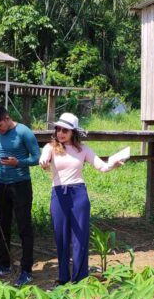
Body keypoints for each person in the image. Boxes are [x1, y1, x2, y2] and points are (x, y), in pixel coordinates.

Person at [39, 113, 125, 285]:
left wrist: (114, 163)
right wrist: (44, 162)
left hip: (78, 193)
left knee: (80, 238)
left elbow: (102, 166)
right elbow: (43, 159)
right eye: (58, 129)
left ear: (73, 132)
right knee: (61, 238)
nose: (61, 133)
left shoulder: (83, 149)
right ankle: (63, 278)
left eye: (65, 130)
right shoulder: (50, 147)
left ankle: (80, 279)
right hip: (58, 194)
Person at [0, 105, 41, 287]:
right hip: (1, 185)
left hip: (21, 184)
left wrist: (19, 162)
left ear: (7, 118)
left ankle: (26, 270)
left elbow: (37, 158)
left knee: (24, 227)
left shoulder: (24, 132)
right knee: (2, 226)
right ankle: (4, 265)